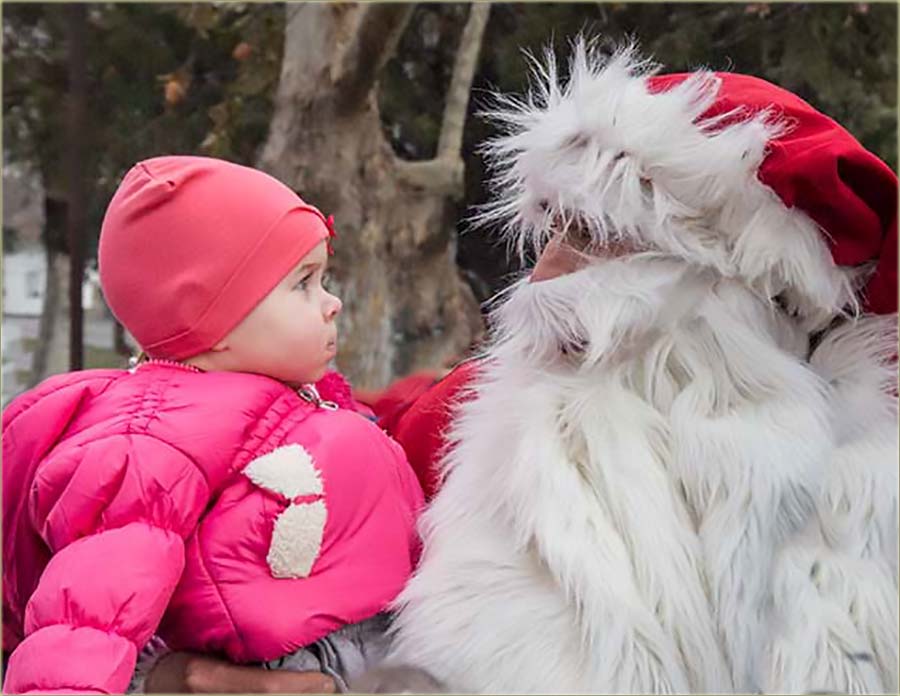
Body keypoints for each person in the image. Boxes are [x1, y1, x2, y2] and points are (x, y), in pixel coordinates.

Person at [384, 42, 899, 693]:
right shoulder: (458, 415)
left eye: (593, 238)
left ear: (731, 280)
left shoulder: (868, 483)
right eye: (553, 233)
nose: (543, 277)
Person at [1, 156, 425, 694]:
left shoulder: (283, 405)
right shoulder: (154, 436)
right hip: (280, 671)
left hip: (371, 653)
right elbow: (89, 614)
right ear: (211, 314)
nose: (332, 303)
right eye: (303, 284)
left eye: (325, 279)